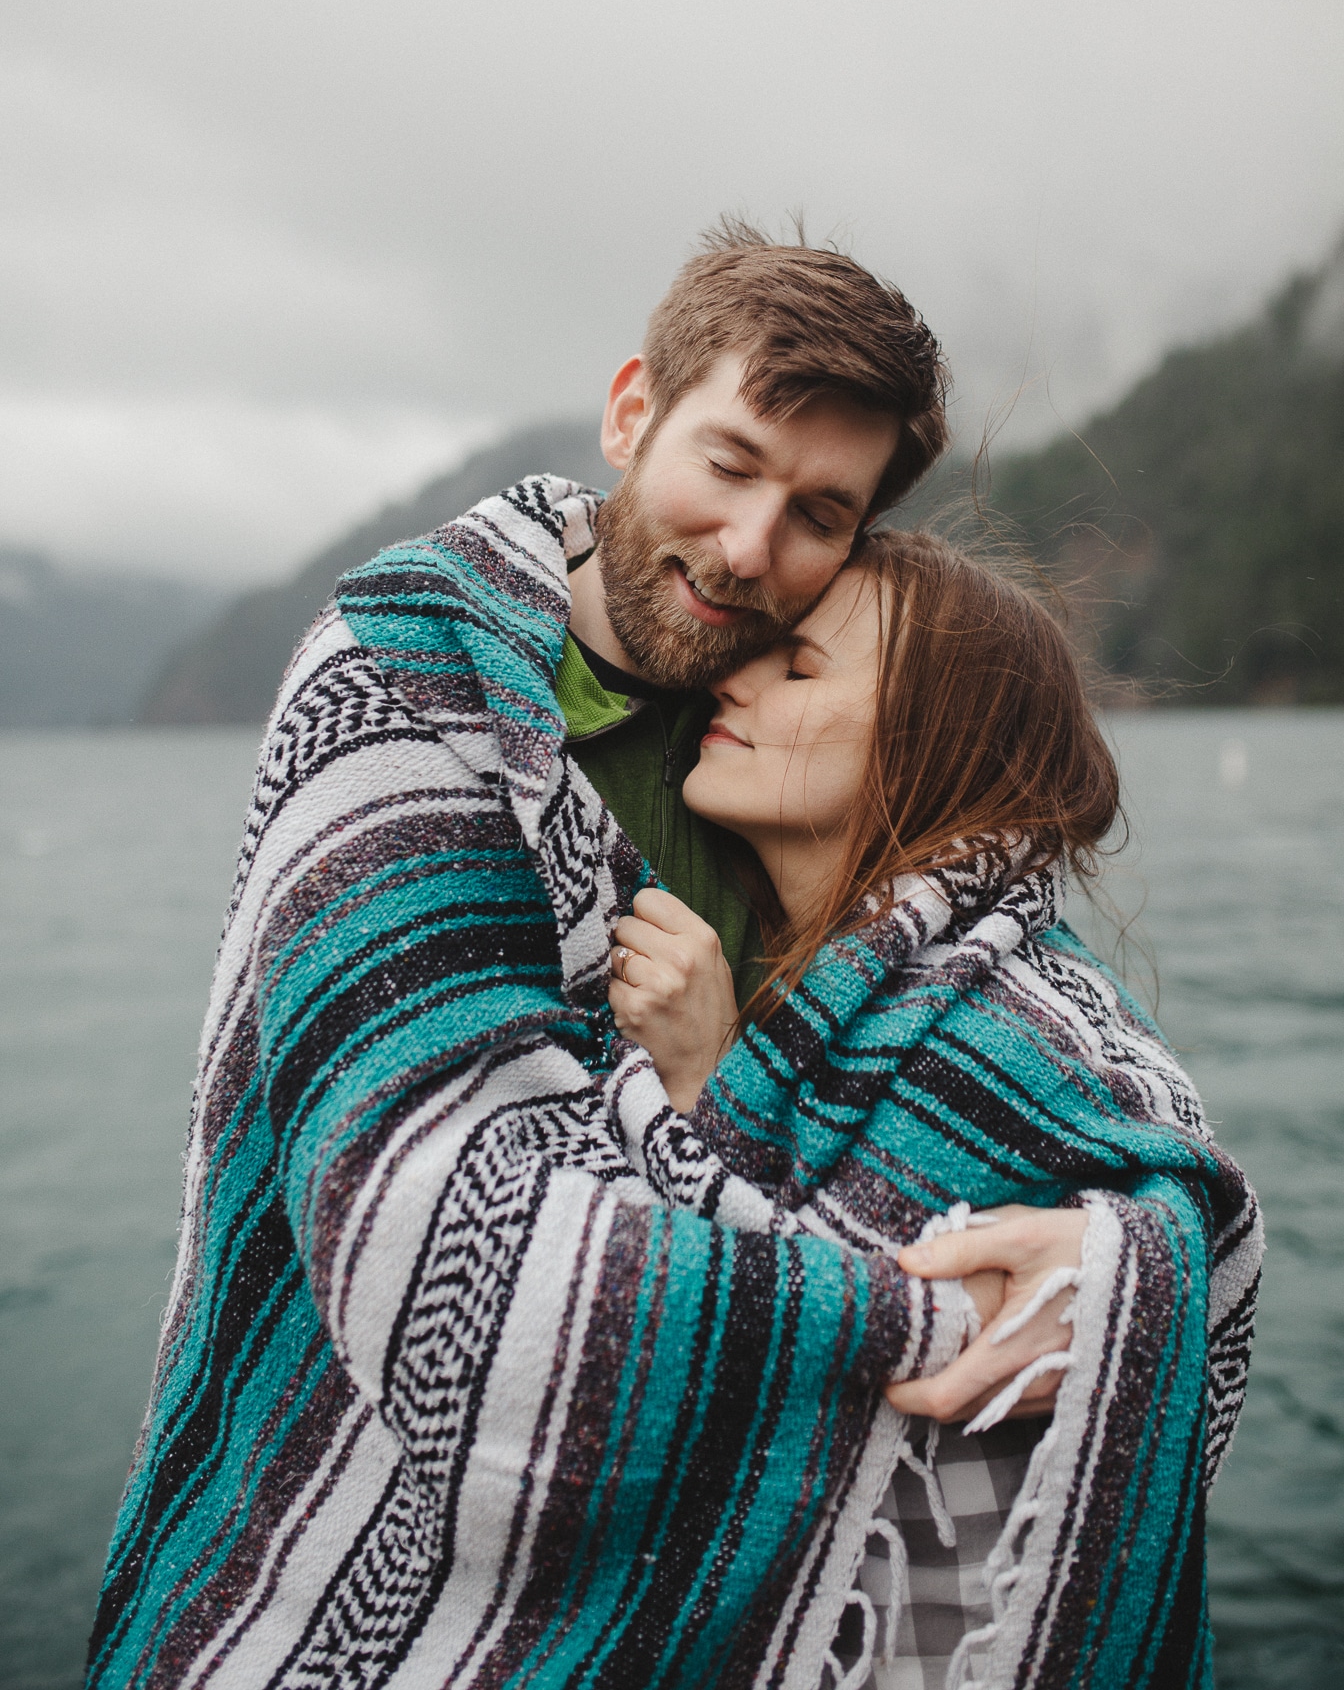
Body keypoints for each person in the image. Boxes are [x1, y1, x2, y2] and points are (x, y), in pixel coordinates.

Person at [87, 228, 1228, 1690]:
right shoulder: (407, 687)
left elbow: (974, 1064)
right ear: (633, 411)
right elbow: (460, 1278)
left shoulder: (751, 749)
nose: (754, 552)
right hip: (351, 1542)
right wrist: (964, 1303)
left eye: (820, 513)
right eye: (730, 463)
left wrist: (1121, 1263)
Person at [603, 530, 1263, 1684]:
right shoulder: (806, 988)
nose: (736, 676)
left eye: (797, 669)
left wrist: (707, 1085)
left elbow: (831, 1375)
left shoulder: (1012, 1026)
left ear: (924, 745)